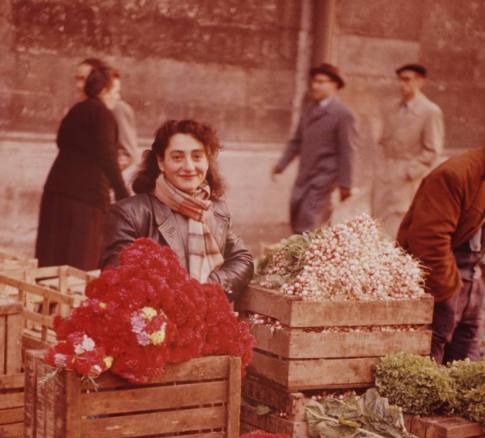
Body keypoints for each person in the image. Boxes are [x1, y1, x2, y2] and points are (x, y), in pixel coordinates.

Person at [101, 119, 254, 301]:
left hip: (206, 317)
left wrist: (207, 287)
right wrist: (181, 297)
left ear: (207, 161)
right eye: (177, 157)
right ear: (161, 162)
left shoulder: (215, 210)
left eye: (197, 156)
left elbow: (243, 259)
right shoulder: (129, 214)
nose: (189, 167)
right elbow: (118, 278)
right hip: (156, 324)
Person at [35, 63, 129, 270]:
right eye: (116, 92)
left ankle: (49, 302)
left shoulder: (76, 110)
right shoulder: (103, 114)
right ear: (104, 90)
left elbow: (61, 142)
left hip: (57, 193)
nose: (117, 97)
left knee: (52, 256)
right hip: (85, 201)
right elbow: (107, 156)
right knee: (80, 261)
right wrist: (124, 194)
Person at [397, 147, 485, 363]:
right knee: (429, 365)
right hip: (439, 285)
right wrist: (447, 294)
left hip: (471, 283)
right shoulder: (454, 176)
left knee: (468, 376)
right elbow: (429, 241)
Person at [272, 63, 356, 234]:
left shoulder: (343, 114)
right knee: (296, 215)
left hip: (324, 179)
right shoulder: (309, 109)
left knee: (309, 221)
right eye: (314, 81)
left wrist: (345, 185)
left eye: (320, 82)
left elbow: (348, 151)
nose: (314, 86)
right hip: (304, 175)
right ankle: (301, 256)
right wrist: (281, 165)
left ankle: (307, 257)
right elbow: (296, 141)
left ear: (334, 85)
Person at [372, 63, 444, 239]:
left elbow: (433, 150)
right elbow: (383, 141)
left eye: (407, 80)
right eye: (400, 80)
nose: (402, 84)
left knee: (399, 223)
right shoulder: (392, 108)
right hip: (385, 173)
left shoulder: (430, 111)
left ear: (420, 81)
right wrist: (381, 168)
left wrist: (409, 172)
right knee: (377, 221)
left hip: (407, 177)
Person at [76, 57, 139, 177]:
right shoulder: (83, 109)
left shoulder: (117, 108)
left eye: (84, 79)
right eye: (77, 79)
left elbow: (127, 154)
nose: (78, 85)